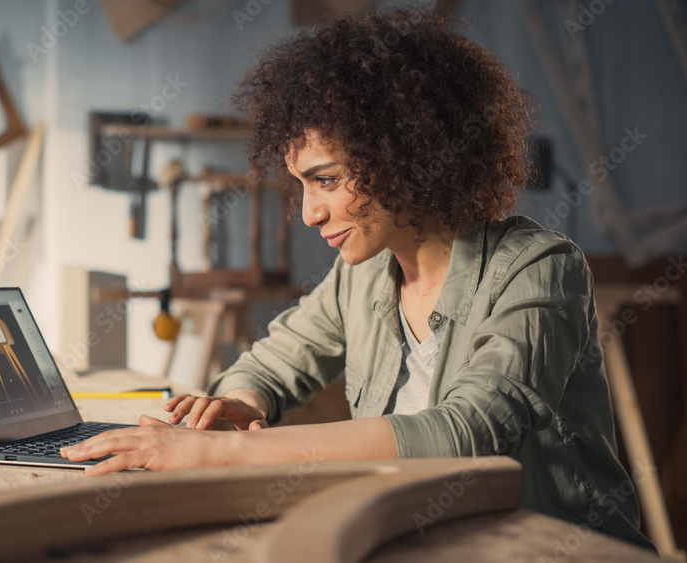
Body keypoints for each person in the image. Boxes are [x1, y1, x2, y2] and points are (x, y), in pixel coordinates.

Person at [62, 7, 653, 550]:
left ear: (407, 155)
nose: (309, 212)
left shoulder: (538, 268)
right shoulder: (364, 276)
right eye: (300, 185)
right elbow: (271, 364)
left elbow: (470, 434)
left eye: (326, 180)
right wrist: (235, 406)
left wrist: (223, 454)